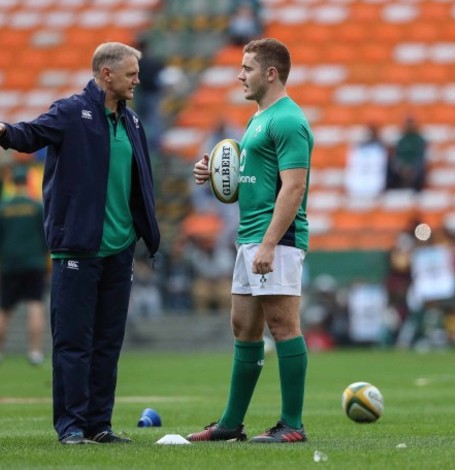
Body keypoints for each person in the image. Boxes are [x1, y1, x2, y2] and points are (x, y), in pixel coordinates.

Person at [0, 42, 160, 445]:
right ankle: (71, 425)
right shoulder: (72, 112)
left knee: (107, 343)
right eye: (131, 73)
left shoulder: (134, 123)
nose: (137, 80)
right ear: (106, 74)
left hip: (119, 248)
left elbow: (139, 183)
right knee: (74, 342)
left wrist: (146, 233)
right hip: (77, 248)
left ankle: (99, 424)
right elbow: (33, 133)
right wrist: (5, 132)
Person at [187, 38, 313, 444]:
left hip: (275, 239)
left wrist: (270, 244)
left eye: (247, 68)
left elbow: (293, 188)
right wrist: (217, 175)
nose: (240, 75)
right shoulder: (257, 119)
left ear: (270, 73)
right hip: (249, 236)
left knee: (282, 324)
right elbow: (254, 182)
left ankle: (292, 425)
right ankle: (230, 425)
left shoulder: (288, 120)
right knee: (244, 328)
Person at [0, 165, 48, 366]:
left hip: (9, 264)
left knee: (3, 308)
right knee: (35, 305)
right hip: (34, 263)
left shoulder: (1, 208)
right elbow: (46, 238)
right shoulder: (37, 206)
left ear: (12, 183)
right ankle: (35, 352)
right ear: (27, 183)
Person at [391, 116, 427, 191]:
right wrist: (402, 168)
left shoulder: (419, 140)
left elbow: (420, 157)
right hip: (401, 170)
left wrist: (411, 169)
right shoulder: (401, 141)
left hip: (415, 170)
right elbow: (397, 157)